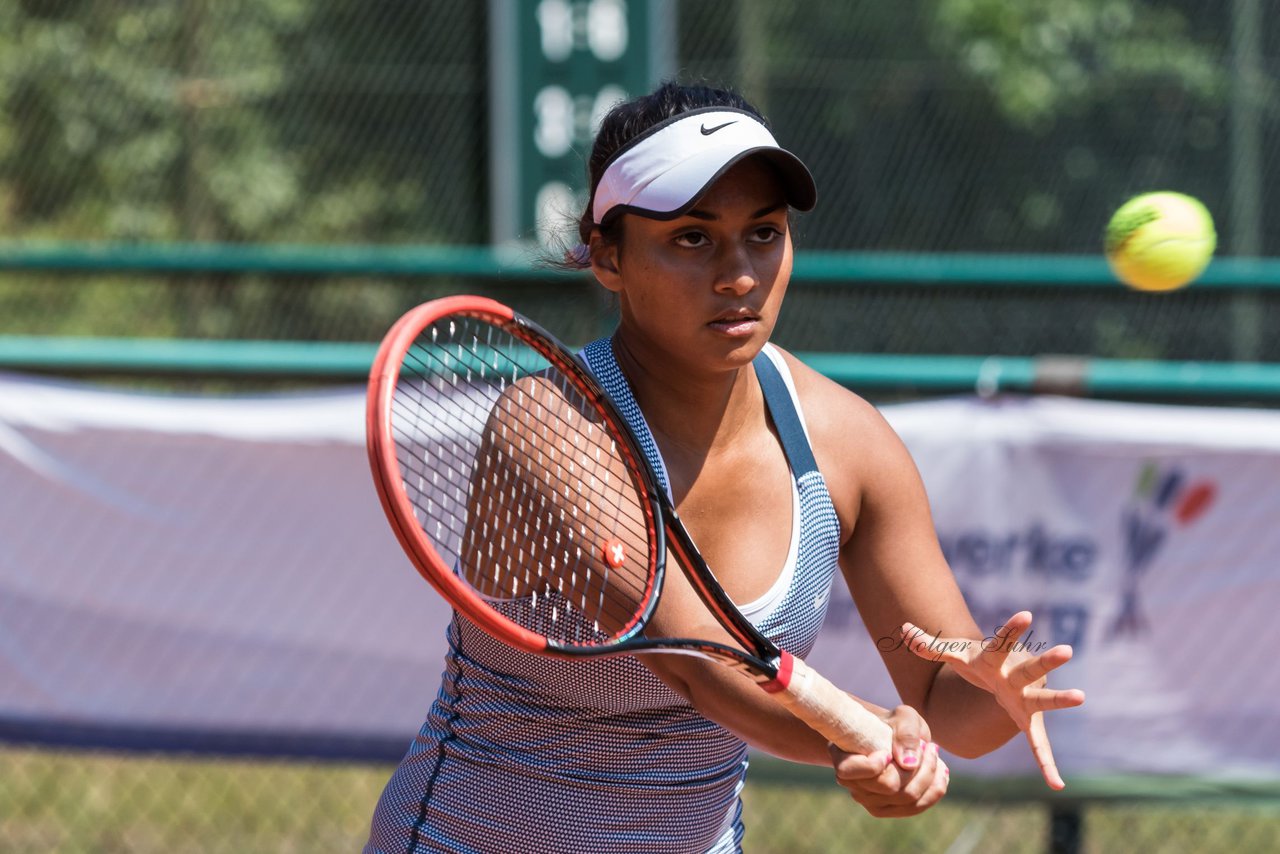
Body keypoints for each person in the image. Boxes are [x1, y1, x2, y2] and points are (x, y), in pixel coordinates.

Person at [365, 81, 1084, 854]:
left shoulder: (846, 442)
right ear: (607, 256)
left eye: (764, 234)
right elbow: (701, 671)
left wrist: (991, 695)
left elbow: (946, 707)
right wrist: (866, 739)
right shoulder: (552, 425)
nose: (738, 273)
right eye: (692, 239)